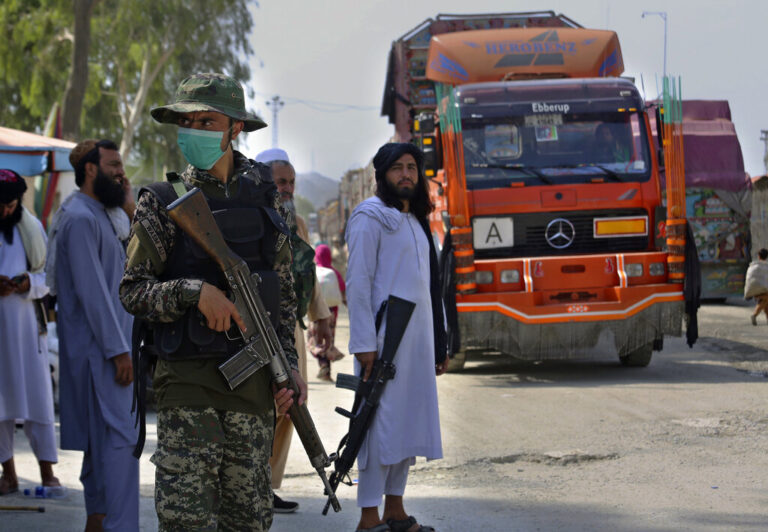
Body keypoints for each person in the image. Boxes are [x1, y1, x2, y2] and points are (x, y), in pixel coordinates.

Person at [120, 73, 304, 531]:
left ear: (234, 128)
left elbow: (282, 295)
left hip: (253, 391)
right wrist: (194, 292)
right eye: (188, 121)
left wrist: (289, 366)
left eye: (208, 120)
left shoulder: (269, 201)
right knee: (187, 522)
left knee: (248, 521)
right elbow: (133, 291)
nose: (195, 129)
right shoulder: (162, 203)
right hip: (187, 388)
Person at [345, 143, 448, 532]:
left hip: (417, 345)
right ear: (382, 175)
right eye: (397, 168)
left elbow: (431, 288)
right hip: (384, 344)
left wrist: (440, 343)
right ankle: (369, 517)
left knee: (407, 424)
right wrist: (364, 344)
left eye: (412, 168)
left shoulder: (417, 220)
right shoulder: (370, 217)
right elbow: (358, 284)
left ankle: (395, 510)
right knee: (377, 427)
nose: (406, 174)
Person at [53, 139, 139, 531]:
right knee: (121, 441)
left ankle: (99, 518)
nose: (121, 172)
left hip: (106, 350)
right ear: (91, 169)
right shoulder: (81, 219)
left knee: (102, 442)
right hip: (102, 354)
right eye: (114, 165)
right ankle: (120, 525)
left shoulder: (100, 213)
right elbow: (93, 293)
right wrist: (119, 351)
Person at [254, 147, 332, 512]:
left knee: (291, 406)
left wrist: (320, 315)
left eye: (291, 183)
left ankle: (267, 487)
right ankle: (249, 487)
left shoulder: (297, 223)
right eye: (280, 182)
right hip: (257, 329)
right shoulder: (251, 216)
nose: (286, 189)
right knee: (264, 409)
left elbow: (306, 272)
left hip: (292, 329)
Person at [0, 169, 61, 496]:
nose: (4, 212)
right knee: (0, 404)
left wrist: (26, 284)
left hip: (28, 332)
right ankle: (8, 475)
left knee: (38, 400)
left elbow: (48, 278)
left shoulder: (33, 228)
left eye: (9, 205)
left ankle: (47, 472)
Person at [311, 243, 347, 381]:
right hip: (332, 314)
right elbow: (343, 293)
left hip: (316, 312)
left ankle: (323, 364)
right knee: (329, 341)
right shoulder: (334, 273)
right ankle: (327, 371)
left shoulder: (314, 271)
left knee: (315, 340)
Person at [744, 248, 768, 325]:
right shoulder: (766, 267)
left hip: (755, 291)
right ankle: (754, 315)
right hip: (763, 291)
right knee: (766, 299)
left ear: (758, 256)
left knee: (765, 302)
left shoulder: (753, 266)